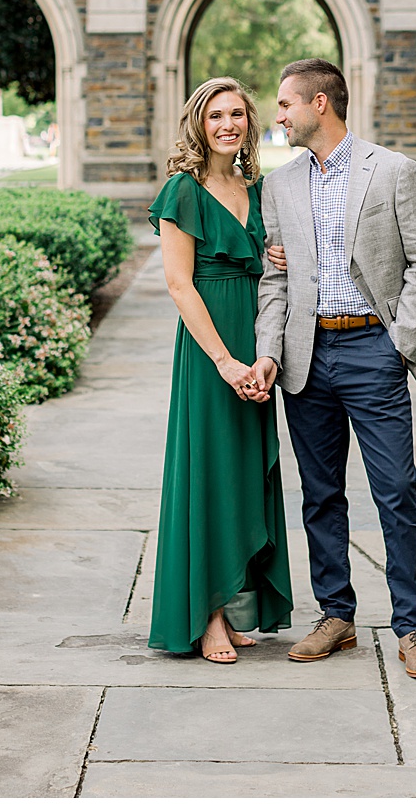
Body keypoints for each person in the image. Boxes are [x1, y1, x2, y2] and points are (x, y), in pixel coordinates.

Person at [253, 58, 416, 681]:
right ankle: (335, 616)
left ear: (320, 103)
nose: (277, 116)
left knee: (396, 491)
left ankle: (412, 629)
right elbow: (275, 280)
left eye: (285, 105)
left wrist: (401, 340)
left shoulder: (393, 171)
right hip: (307, 358)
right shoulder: (280, 185)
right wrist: (270, 349)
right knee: (320, 495)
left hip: (373, 350)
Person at [147, 77, 294, 663]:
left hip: (254, 348)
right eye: (216, 116)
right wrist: (225, 361)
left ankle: (233, 606)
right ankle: (206, 618)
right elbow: (180, 284)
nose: (228, 124)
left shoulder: (255, 189)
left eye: (237, 114)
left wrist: (271, 258)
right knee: (208, 474)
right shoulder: (183, 190)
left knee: (242, 475)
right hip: (211, 353)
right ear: (198, 125)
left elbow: (264, 265)